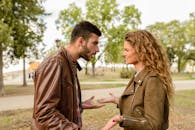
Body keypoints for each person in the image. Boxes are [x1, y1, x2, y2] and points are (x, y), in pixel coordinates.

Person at [31, 21, 104, 130]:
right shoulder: (55, 63)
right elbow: (44, 113)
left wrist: (78, 105)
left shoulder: (70, 63)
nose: (97, 49)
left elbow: (57, 103)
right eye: (95, 43)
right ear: (81, 41)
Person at [99, 30, 174, 130]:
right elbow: (139, 106)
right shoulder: (138, 75)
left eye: (126, 50)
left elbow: (153, 124)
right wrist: (118, 101)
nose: (123, 54)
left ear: (140, 51)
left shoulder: (153, 80)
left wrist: (123, 119)